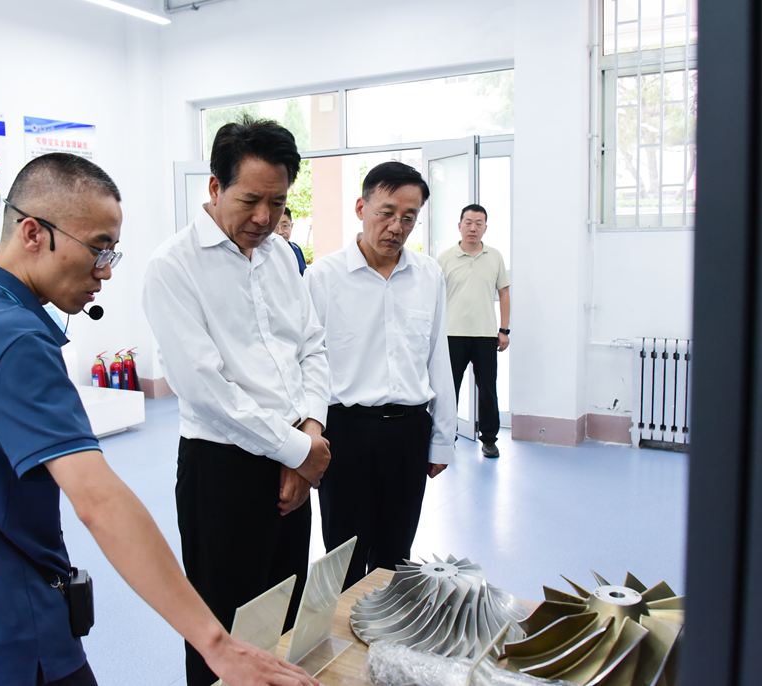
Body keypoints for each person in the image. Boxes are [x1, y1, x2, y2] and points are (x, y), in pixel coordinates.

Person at [0, 152, 318, 686]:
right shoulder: (16, 341)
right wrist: (217, 644)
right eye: (97, 248)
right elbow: (98, 501)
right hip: (13, 632)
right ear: (33, 233)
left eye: (112, 252)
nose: (105, 271)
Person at [142, 118, 331, 686]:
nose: (264, 218)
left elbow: (312, 346)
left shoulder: (281, 256)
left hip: (295, 457)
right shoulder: (173, 267)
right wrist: (298, 450)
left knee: (284, 612)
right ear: (214, 187)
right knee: (222, 629)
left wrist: (311, 430)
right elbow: (206, 388)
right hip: (222, 469)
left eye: (278, 202)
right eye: (250, 200)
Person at [304, 161, 457, 589]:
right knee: (344, 555)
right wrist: (307, 440)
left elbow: (437, 356)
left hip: (408, 432)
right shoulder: (323, 277)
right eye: (386, 213)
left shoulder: (428, 275)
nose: (396, 227)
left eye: (409, 217)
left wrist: (442, 438)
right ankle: (343, 629)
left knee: (396, 555)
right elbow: (307, 362)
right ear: (361, 208)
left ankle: (388, 630)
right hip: (345, 433)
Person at [437, 203, 511, 458]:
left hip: (485, 335)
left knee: (488, 390)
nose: (473, 228)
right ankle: (447, 435)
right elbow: (435, 297)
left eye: (479, 223)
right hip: (452, 334)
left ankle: (489, 439)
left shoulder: (495, 257)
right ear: (459, 226)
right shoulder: (445, 258)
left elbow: (504, 292)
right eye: (468, 222)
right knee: (449, 390)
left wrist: (504, 329)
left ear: (485, 228)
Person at [275, 207, 306, 275]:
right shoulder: (265, 253)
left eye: (284, 226)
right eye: (275, 227)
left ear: (291, 226)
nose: (280, 232)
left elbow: (304, 275)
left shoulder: (296, 249)